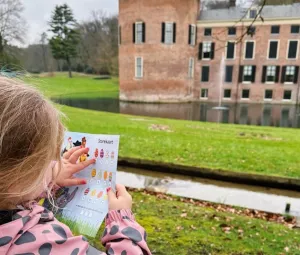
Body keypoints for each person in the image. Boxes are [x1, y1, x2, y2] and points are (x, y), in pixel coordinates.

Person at [0, 77, 151, 255]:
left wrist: (51, 180)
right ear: (16, 174)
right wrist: (122, 220)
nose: (54, 164)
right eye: (45, 162)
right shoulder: (42, 243)